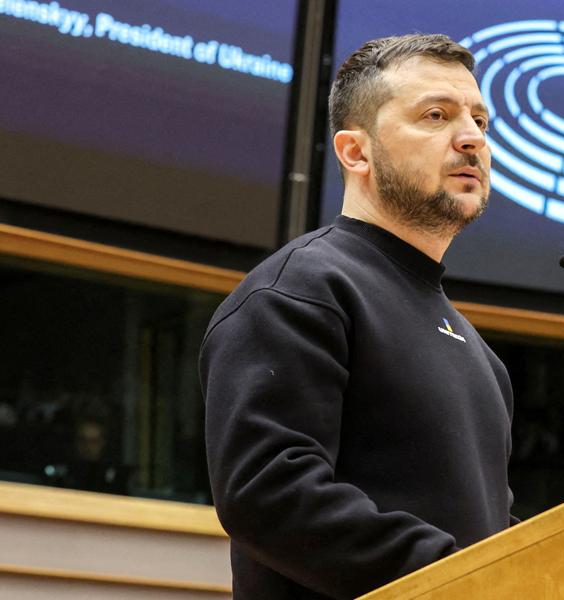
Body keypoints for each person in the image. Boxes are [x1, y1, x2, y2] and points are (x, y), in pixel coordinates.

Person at [200, 33, 517, 599]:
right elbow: (269, 495)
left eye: (480, 121)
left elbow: (486, 534)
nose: (471, 138)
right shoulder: (301, 290)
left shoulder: (480, 354)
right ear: (356, 152)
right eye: (437, 116)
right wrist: (463, 580)